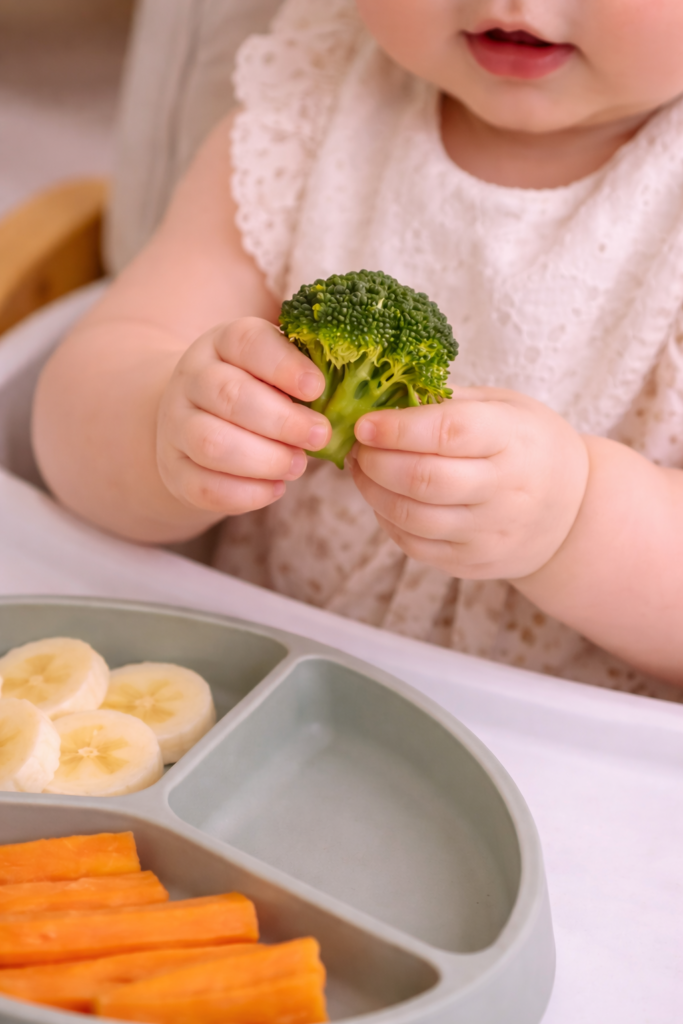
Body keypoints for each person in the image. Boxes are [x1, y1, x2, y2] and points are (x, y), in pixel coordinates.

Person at [32, 0, 683, 696]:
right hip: (256, 682)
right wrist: (169, 426)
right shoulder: (303, 107)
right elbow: (78, 407)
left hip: (566, 751)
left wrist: (577, 516)